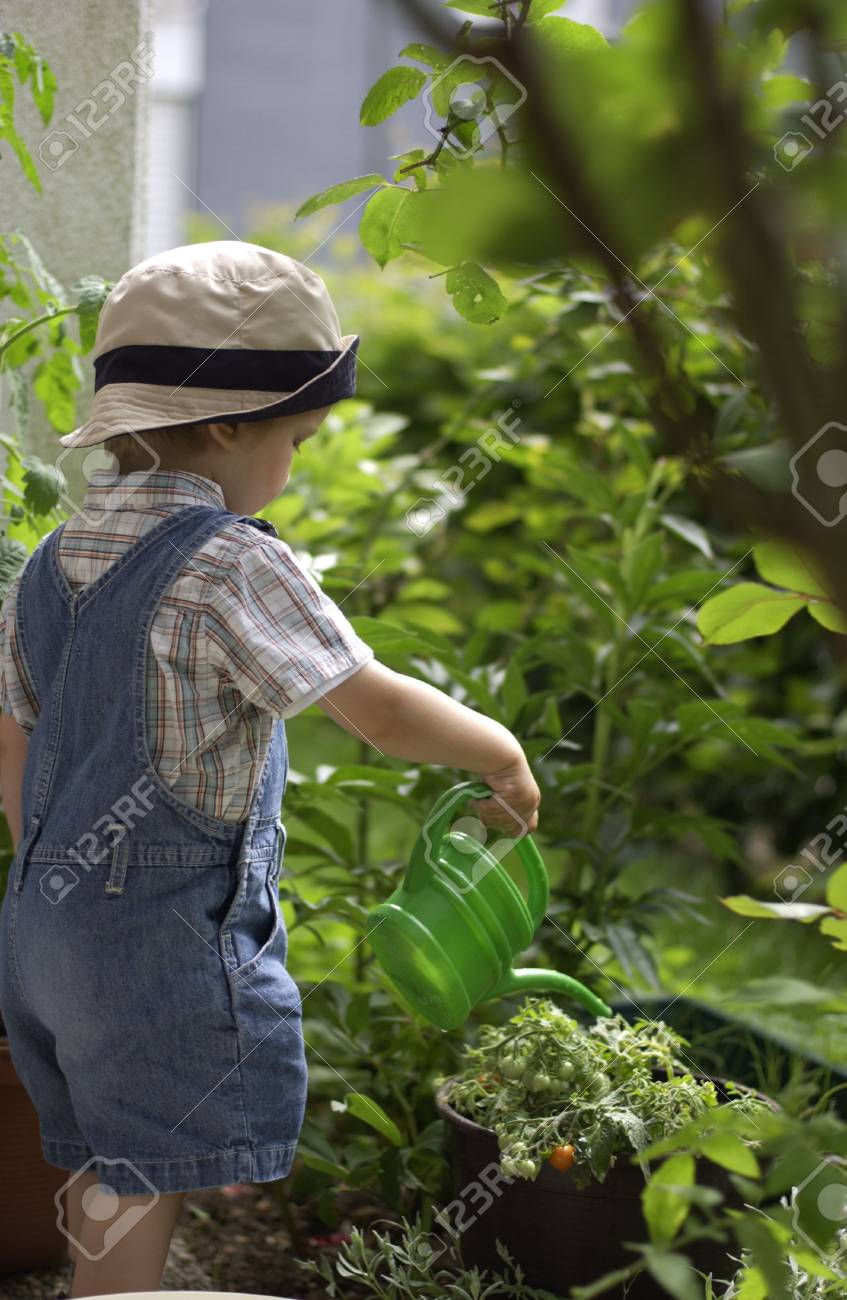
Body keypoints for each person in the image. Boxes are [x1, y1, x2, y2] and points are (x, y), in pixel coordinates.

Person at [0, 240, 540, 1297]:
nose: (290, 461)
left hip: (43, 935)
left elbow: (8, 731)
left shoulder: (55, 558)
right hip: (157, 937)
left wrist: (50, 852)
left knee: (111, 1150)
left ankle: (104, 1283)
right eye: (294, 436)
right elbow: (373, 707)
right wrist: (498, 750)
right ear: (229, 424)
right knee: (147, 1160)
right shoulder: (231, 559)